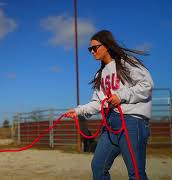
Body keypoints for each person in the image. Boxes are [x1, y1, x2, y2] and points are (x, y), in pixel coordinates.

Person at [65, 30, 153, 180]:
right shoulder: (99, 75)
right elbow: (97, 102)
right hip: (110, 124)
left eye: (95, 47)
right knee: (98, 166)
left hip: (131, 122)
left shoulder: (127, 63)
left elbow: (146, 85)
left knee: (135, 173)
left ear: (106, 45)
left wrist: (121, 96)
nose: (92, 51)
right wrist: (78, 111)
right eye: (90, 49)